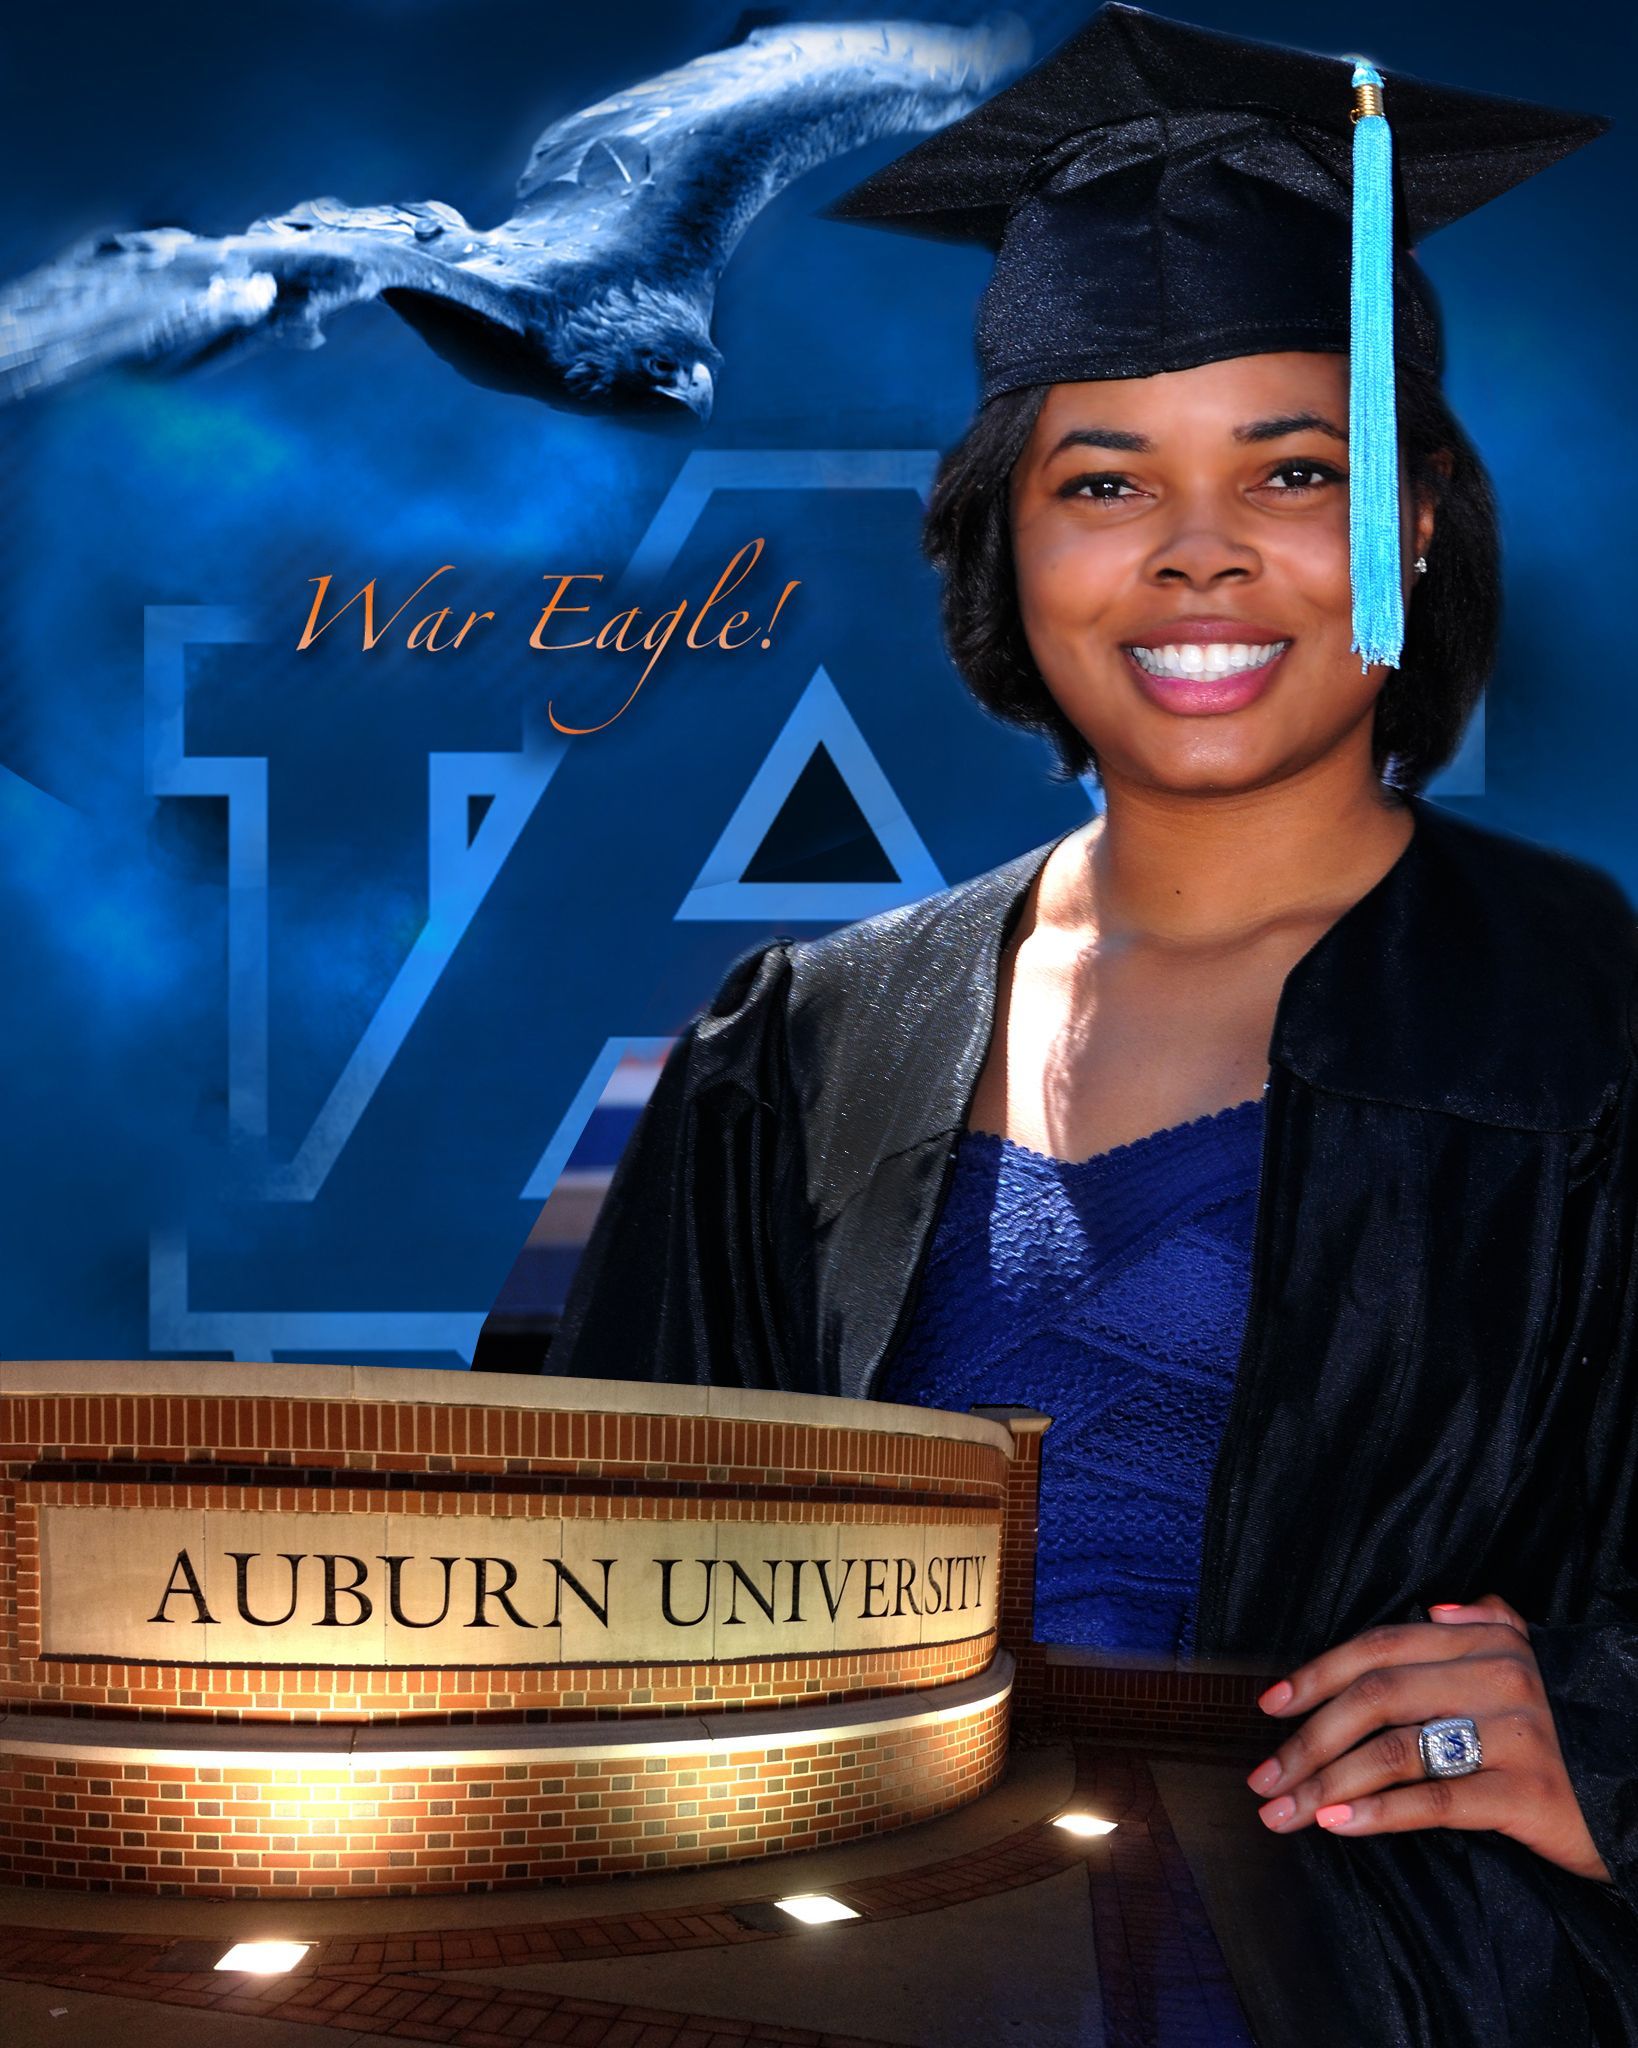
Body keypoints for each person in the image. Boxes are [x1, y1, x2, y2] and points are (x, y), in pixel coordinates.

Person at [526, 8, 1638, 2042]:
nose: (1196, 549)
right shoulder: (788, 1047)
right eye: (1104, 476)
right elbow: (587, 1614)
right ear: (1009, 540)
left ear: (1405, 520)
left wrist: (1618, 1747)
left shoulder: (1591, 1032)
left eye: (1290, 468)